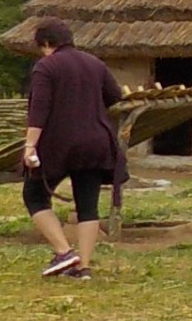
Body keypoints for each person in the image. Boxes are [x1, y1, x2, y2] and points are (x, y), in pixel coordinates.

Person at [21, 19, 126, 279]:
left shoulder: (46, 67)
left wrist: (30, 145)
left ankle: (64, 252)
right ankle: (83, 267)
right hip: (96, 142)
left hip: (59, 143)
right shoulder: (95, 63)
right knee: (87, 204)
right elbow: (115, 97)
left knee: (34, 195)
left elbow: (39, 109)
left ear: (46, 43)